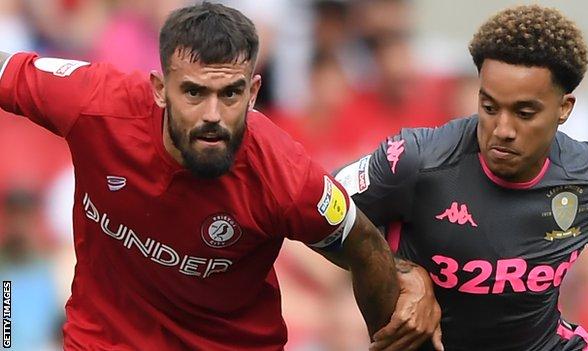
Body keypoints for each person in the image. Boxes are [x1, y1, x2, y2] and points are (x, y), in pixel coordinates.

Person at [0, 2, 442, 350]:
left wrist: (406, 288)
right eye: (193, 92)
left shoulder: (286, 176)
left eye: (230, 93)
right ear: (159, 88)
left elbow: (363, 246)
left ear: (253, 92)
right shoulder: (93, 102)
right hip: (102, 342)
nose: (213, 115)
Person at [336, 5, 588, 351]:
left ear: (564, 108)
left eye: (524, 113)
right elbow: (319, 211)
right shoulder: (417, 160)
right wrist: (402, 272)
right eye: (489, 107)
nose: (502, 130)